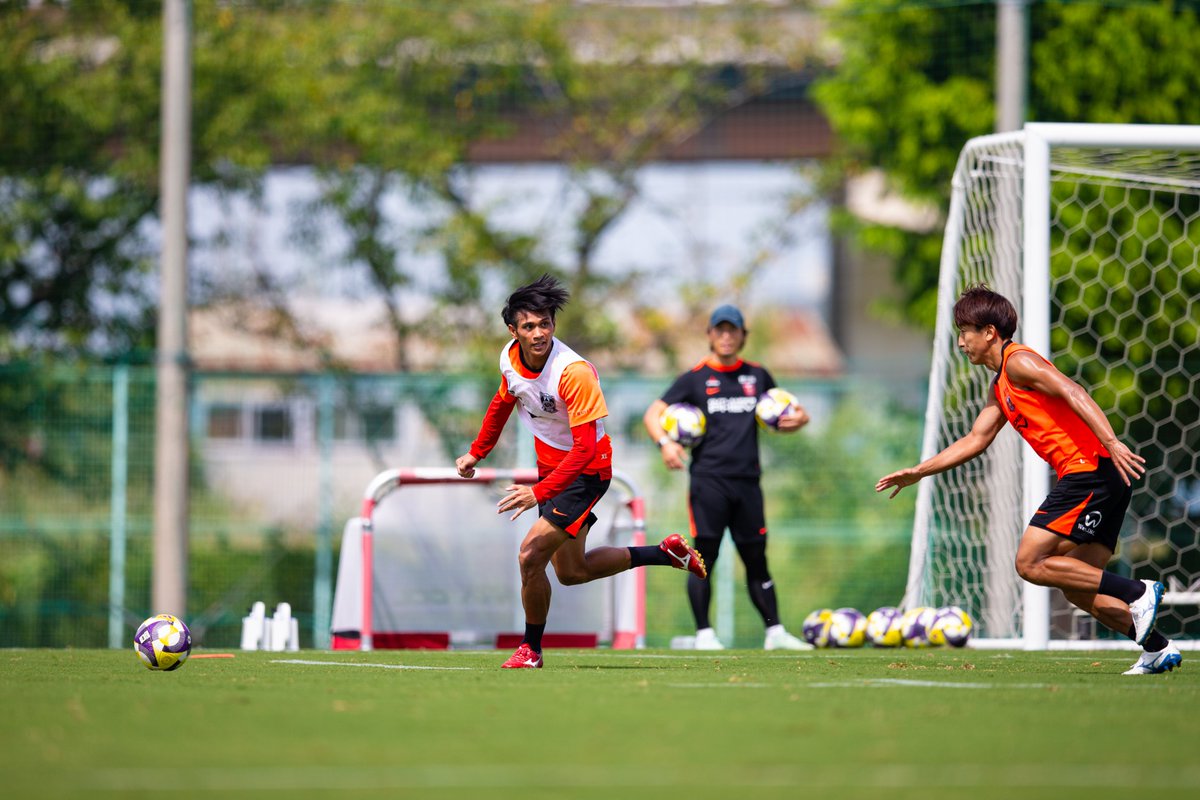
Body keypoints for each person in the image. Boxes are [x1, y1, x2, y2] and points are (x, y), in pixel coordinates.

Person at [875, 285, 1178, 675]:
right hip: (1099, 478)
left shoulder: (1018, 362)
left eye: (965, 331)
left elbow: (1072, 389)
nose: (961, 342)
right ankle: (1157, 648)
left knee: (1029, 561)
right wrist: (919, 471)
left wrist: (1111, 442)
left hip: (1090, 471)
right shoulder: (999, 385)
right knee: (1079, 588)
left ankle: (1138, 591)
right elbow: (975, 439)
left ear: (989, 332)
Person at [456, 274, 707, 669]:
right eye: (528, 326)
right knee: (573, 571)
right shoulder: (509, 358)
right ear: (512, 330)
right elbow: (503, 400)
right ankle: (664, 553)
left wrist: (538, 493)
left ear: (553, 325)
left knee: (529, 555)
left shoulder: (574, 373)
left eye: (545, 324)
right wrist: (477, 452)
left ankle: (530, 650)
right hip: (552, 469)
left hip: (586, 470)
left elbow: (585, 449)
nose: (538, 333)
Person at [643, 303, 812, 651]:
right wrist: (665, 444)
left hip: (748, 482)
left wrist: (803, 418)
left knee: (756, 557)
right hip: (709, 482)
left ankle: (775, 632)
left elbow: (786, 411)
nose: (726, 336)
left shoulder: (758, 375)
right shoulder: (694, 378)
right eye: (719, 329)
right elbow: (653, 414)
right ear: (709, 335)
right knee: (704, 555)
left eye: (732, 330)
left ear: (743, 336)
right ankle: (704, 634)